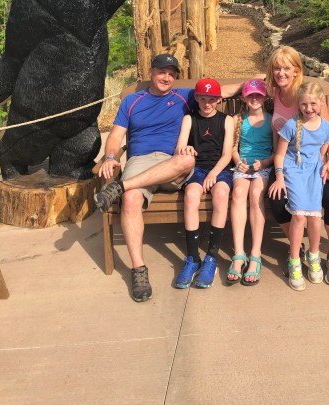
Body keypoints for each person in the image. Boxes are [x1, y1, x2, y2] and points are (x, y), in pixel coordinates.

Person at [95, 55, 241, 302]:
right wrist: (110, 157)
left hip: (173, 164)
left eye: (172, 74)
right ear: (150, 71)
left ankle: (120, 187)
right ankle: (139, 270)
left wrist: (256, 81)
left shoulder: (184, 97)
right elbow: (116, 136)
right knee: (130, 200)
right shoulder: (131, 100)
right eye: (162, 72)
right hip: (140, 161)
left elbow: (219, 92)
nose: (166, 77)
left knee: (186, 159)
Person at [265, 46, 329, 286]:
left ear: (297, 70)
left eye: (286, 68)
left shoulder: (309, 95)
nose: (281, 73)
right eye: (276, 68)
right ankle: (296, 247)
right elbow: (252, 85)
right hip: (286, 163)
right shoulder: (274, 91)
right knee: (277, 198)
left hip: (317, 164)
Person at [174, 78, 234, 289]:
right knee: (191, 195)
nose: (207, 104)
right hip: (197, 168)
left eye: (212, 99)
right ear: (196, 98)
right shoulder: (189, 119)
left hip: (220, 168)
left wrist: (214, 174)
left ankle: (211, 257)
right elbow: (180, 147)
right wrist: (185, 149)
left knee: (221, 194)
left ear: (219, 100)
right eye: (203, 99)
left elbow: (227, 155)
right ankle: (192, 258)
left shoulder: (226, 120)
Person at [227, 79, 273, 286]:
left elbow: (277, 151)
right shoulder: (238, 119)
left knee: (256, 194)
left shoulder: (272, 120)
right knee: (238, 194)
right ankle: (239, 254)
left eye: (258, 95)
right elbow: (233, 147)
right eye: (250, 95)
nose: (254, 98)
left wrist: (264, 163)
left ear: (265, 98)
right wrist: (239, 163)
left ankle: (255, 254)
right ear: (244, 98)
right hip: (243, 166)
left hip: (263, 166)